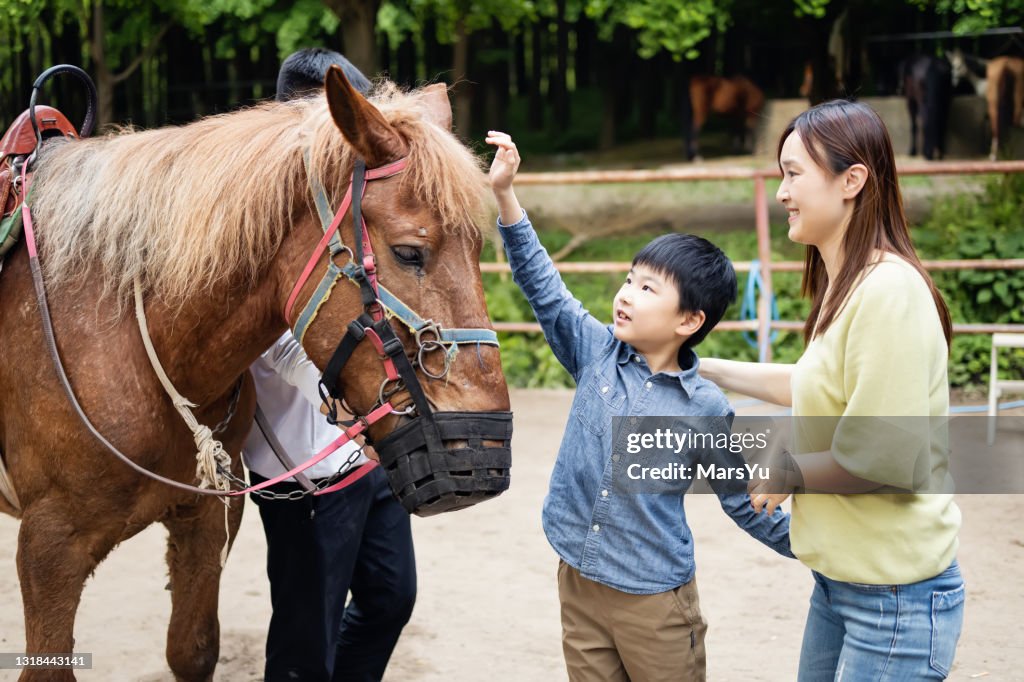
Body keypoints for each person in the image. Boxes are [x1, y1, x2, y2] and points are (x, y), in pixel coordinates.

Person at [485, 130, 793, 682]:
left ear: (688, 321)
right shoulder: (595, 351)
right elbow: (543, 284)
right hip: (577, 582)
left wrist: (820, 549)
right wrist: (506, 195)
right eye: (630, 280)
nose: (625, 294)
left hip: (655, 603)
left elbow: (742, 500)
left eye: (648, 289)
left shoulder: (705, 407)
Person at [699, 100, 964, 680]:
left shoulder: (889, 291)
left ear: (852, 180)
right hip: (842, 585)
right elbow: (819, 385)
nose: (781, 193)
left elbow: (886, 459)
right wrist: (704, 367)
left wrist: (788, 470)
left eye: (793, 173)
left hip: (893, 598)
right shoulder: (849, 284)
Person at [242, 49, 415, 682]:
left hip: (365, 448)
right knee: (302, 639)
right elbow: (264, 336)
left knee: (392, 599)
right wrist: (349, 393)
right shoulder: (256, 207)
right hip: (304, 466)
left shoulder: (347, 201)